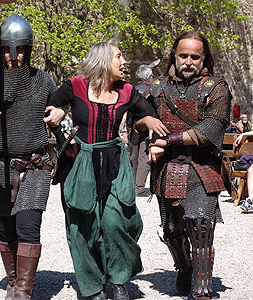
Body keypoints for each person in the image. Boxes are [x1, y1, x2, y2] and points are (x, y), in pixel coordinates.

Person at [45, 39, 167, 300]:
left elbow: (146, 114)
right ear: (102, 61)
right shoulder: (75, 86)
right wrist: (56, 117)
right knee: (82, 226)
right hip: (80, 163)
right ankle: (92, 287)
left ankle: (119, 279)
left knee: (116, 221)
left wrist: (147, 121)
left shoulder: (126, 91)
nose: (125, 62)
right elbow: (49, 109)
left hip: (114, 162)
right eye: (119, 57)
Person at [0, 14, 61, 300]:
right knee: (7, 229)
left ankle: (22, 290)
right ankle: (12, 280)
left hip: (34, 166)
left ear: (28, 48)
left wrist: (60, 114)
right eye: (8, 49)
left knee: (28, 226)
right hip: (0, 167)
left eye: (19, 48)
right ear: (0, 49)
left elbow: (63, 122)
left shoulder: (44, 82)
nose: (13, 55)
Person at [147, 32, 232, 300]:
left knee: (200, 225)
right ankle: (184, 269)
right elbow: (142, 120)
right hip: (166, 168)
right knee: (172, 232)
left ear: (204, 58)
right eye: (183, 55)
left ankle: (202, 288)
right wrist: (149, 137)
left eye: (195, 57)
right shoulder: (157, 86)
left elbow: (211, 128)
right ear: (175, 54)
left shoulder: (215, 87)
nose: (188, 61)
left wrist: (166, 140)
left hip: (201, 167)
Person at [128, 64, 153, 196]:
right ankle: (138, 188)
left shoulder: (131, 89)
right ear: (149, 77)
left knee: (133, 156)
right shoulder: (151, 90)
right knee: (144, 157)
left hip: (133, 127)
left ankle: (131, 186)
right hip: (146, 127)